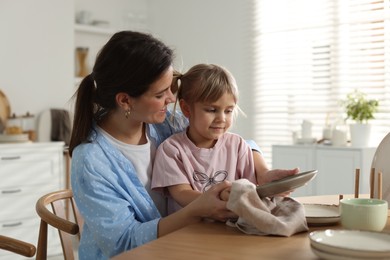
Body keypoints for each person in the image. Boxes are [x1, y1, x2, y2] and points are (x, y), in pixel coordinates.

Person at [69, 31, 298, 260]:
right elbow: (124, 242)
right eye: (160, 94)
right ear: (125, 100)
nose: (171, 99)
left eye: (170, 88)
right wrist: (197, 210)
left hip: (181, 246)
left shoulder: (166, 123)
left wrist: (263, 172)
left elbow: (229, 142)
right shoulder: (90, 161)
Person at [151, 64, 277, 213]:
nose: (221, 119)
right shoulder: (171, 150)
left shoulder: (238, 146)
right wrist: (219, 199)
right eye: (212, 110)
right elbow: (181, 193)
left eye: (228, 111)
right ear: (186, 108)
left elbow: (249, 188)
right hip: (189, 230)